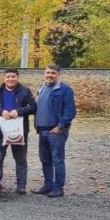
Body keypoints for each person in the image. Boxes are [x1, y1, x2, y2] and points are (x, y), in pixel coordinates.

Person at [0, 68, 36, 194]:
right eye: (8, 77)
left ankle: (21, 186)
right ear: (4, 78)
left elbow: (33, 107)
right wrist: (0, 112)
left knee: (20, 159)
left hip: (18, 131)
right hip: (0, 131)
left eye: (13, 76)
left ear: (17, 77)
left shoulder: (25, 91)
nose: (10, 79)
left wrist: (19, 111)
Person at [32, 64, 76, 198]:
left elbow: (70, 111)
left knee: (57, 159)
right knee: (45, 159)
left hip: (56, 131)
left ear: (58, 74)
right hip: (42, 130)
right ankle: (48, 185)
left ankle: (58, 188)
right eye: (48, 73)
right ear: (44, 74)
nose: (50, 75)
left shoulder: (65, 90)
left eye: (53, 73)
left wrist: (60, 126)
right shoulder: (42, 88)